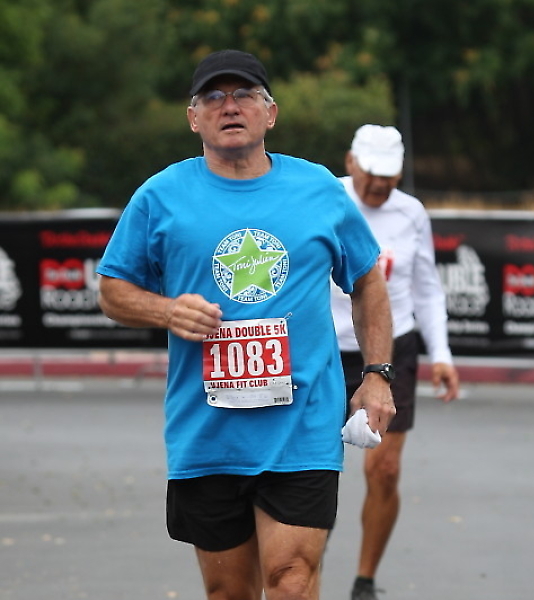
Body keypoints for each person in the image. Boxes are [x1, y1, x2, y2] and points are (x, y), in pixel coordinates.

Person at [96, 51, 396, 600]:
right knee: (229, 593)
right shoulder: (160, 197)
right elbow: (112, 291)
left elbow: (368, 282)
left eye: (244, 95)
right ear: (194, 118)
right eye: (213, 97)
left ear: (270, 113)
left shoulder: (318, 189)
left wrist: (377, 374)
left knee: (292, 580)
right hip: (208, 431)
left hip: (302, 426)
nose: (229, 106)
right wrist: (167, 311)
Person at [330, 124, 460, 600]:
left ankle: (364, 580)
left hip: (391, 351)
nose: (380, 184)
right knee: (314, 471)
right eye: (371, 173)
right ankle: (301, 571)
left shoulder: (411, 212)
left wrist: (441, 354)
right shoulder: (326, 198)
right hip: (328, 349)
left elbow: (426, 288)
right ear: (351, 163)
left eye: (389, 175)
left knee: (383, 470)